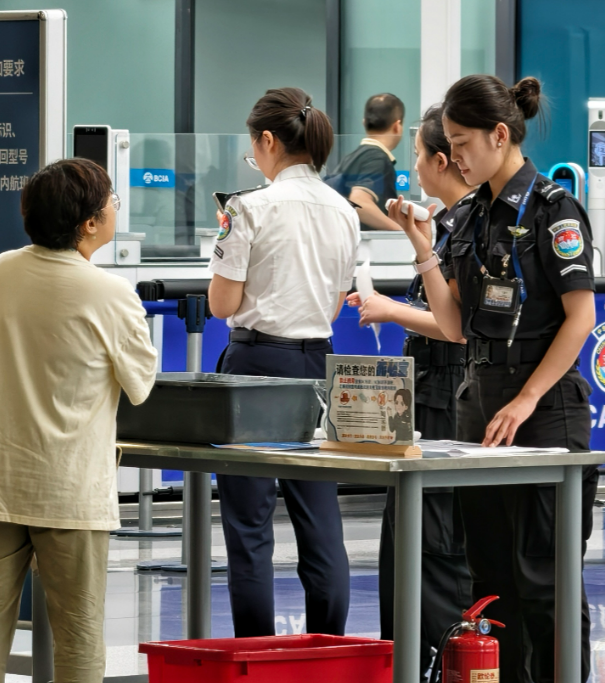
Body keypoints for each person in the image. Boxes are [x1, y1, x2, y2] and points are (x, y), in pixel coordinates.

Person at [390, 74, 598, 683]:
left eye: (461, 143)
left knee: (544, 578)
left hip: (545, 412)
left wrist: (528, 398)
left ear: (499, 135)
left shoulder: (553, 210)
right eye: (449, 144)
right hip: (479, 410)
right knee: (490, 584)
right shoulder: (468, 216)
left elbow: (582, 317)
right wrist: (423, 248)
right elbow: (453, 326)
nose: (453, 156)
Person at [0, 158, 158, 683]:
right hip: (70, 487)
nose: (115, 209)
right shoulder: (111, 294)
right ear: (89, 223)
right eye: (111, 201)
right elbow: (141, 384)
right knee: (78, 630)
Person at [208, 87, 361, 638]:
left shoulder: (247, 207)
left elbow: (222, 304)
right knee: (320, 521)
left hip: (254, 366)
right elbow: (338, 299)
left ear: (268, 141)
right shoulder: (344, 211)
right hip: (318, 367)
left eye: (254, 147)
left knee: (249, 527)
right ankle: (329, 649)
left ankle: (256, 654)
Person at [348, 103, 474, 676]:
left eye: (419, 157)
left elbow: (458, 325)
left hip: (449, 393)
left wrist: (390, 309)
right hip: (422, 391)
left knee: (437, 540)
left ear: (443, 160)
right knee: (405, 539)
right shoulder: (442, 224)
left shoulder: (470, 227)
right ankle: (405, 660)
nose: (412, 169)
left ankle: (448, 659)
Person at [326, 93, 405, 231]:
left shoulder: (351, 158)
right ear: (397, 126)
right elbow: (359, 201)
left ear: (364, 123)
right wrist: (401, 231)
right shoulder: (377, 159)